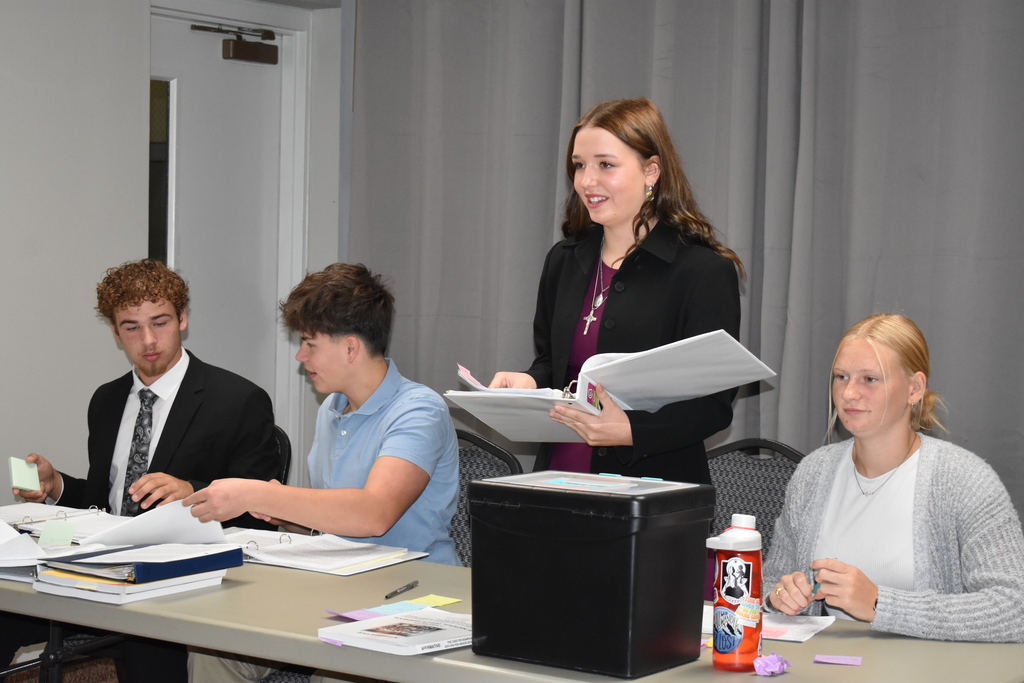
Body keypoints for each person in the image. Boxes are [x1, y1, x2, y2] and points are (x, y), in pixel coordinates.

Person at [3, 259, 279, 682]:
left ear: (183, 319)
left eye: (160, 322)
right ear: (115, 334)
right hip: (98, 572)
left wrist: (192, 492)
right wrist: (57, 487)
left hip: (179, 584)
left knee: (150, 655)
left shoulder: (238, 400)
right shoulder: (107, 400)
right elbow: (107, 504)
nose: (148, 340)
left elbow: (262, 511)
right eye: (131, 327)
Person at [185, 263, 459, 682]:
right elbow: (338, 523)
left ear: (350, 348)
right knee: (214, 648)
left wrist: (259, 495)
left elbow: (373, 514)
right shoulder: (332, 409)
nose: (300, 356)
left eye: (309, 344)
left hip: (417, 594)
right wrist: (290, 517)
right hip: (340, 584)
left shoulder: (419, 410)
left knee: (337, 673)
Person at [489, 98, 743, 483]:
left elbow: (712, 406)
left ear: (651, 171)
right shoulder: (564, 260)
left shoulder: (703, 272)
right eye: (579, 165)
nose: (587, 181)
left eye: (605, 165)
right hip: (557, 478)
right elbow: (554, 364)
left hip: (652, 492)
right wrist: (530, 382)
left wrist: (630, 431)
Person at [764, 313, 1024, 642]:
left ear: (914, 388)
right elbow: (770, 585)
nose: (848, 394)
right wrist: (779, 597)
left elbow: (1015, 609)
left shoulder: (964, 480)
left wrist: (879, 603)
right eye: (841, 377)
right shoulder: (813, 473)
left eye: (870, 379)